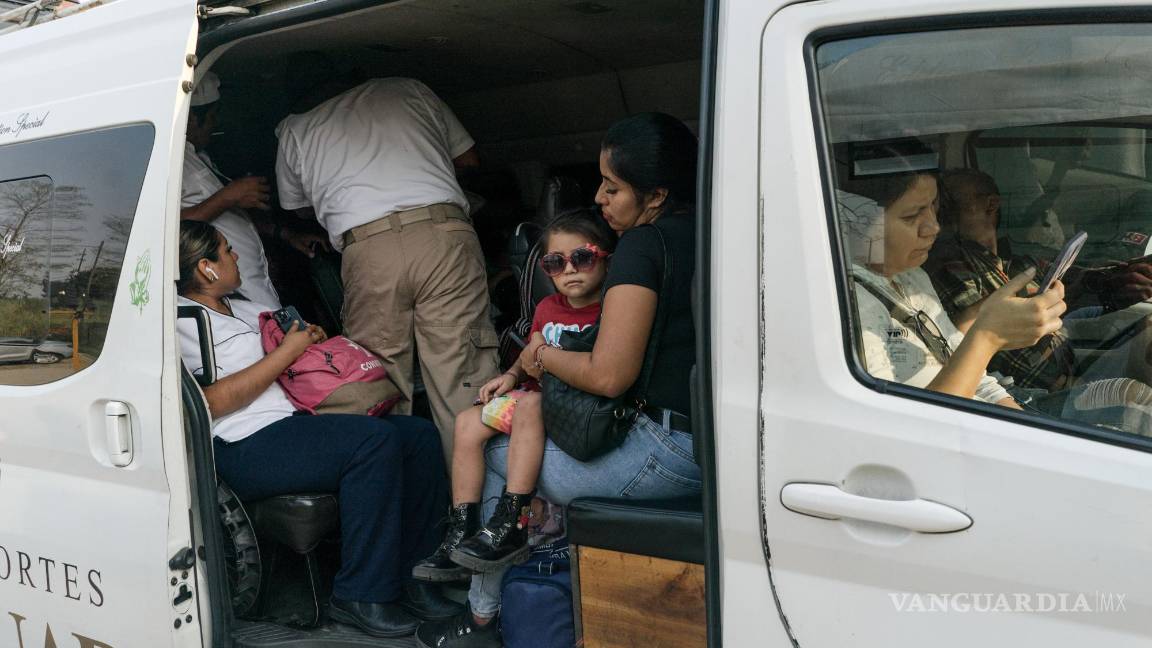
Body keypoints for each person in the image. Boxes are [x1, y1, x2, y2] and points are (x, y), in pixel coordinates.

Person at [415, 112, 702, 648]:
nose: (600, 197)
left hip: (662, 452)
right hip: (706, 447)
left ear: (656, 195)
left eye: (613, 187)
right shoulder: (709, 233)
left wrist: (540, 353)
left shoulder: (644, 245)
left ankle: (482, 619)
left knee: (498, 458)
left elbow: (609, 375)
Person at [175, 220, 460, 639]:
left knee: (416, 435)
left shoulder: (249, 307)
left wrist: (308, 341)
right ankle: (360, 594)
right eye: (227, 251)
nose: (236, 257)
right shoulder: (181, 321)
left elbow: (290, 353)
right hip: (242, 441)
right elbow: (211, 403)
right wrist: (288, 352)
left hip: (293, 420)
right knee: (372, 442)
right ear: (206, 268)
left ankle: (416, 578)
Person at [274, 77, 496, 462]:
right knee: (463, 373)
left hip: (368, 248)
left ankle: (407, 504)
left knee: (378, 382)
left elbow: (297, 206)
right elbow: (469, 160)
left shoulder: (296, 127)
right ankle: (479, 508)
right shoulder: (411, 89)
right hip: (442, 233)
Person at [412, 211, 615, 582]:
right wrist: (509, 376)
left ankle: (513, 519)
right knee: (467, 421)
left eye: (582, 258)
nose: (569, 270)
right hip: (533, 407)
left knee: (531, 404)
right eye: (555, 263)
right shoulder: (547, 308)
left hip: (573, 411)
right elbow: (527, 359)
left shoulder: (612, 310)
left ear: (606, 258)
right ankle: (460, 531)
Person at [181, 71, 328, 308]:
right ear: (190, 120)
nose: (214, 124)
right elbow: (170, 228)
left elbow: (223, 215)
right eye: (211, 117)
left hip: (249, 278)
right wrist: (229, 195)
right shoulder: (173, 163)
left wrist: (285, 235)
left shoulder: (201, 157)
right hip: (228, 289)